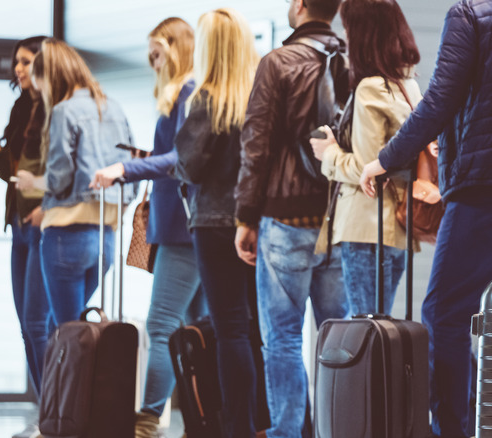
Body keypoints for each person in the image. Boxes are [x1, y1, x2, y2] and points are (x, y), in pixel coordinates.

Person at [358, 0, 492, 436]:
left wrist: (385, 160)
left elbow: (440, 99)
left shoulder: (469, 14)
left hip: (486, 183)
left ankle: (451, 429)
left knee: (445, 312)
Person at [233, 0, 350, 435]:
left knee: (281, 337)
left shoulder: (277, 63)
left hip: (285, 219)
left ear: (300, 6)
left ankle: (285, 433)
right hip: (341, 220)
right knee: (339, 338)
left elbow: (256, 145)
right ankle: (338, 428)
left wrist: (246, 216)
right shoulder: (352, 61)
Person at [89, 18, 208, 437]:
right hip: (180, 228)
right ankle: (201, 417)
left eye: (156, 53)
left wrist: (127, 167)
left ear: (175, 48)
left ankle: (148, 420)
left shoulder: (190, 92)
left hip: (183, 230)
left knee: (161, 326)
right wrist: (146, 159)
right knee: (195, 329)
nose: (151, 62)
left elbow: (179, 159)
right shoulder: (184, 95)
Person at [172, 9, 261, 437]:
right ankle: (269, 425)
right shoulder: (262, 96)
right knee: (259, 330)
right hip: (260, 222)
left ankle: (239, 429)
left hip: (212, 222)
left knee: (229, 330)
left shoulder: (206, 99)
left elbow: (189, 164)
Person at [0, 35, 56, 438]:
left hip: (46, 223)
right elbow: (14, 174)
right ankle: (47, 411)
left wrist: (47, 205)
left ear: (44, 63)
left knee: (39, 323)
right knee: (26, 322)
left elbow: (59, 172)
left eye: (25, 61)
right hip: (19, 222)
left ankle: (56, 414)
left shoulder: (59, 109)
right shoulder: (22, 107)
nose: (18, 69)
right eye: (16, 62)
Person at [310, 0, 422, 315]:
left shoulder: (370, 89)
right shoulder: (407, 85)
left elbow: (368, 166)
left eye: (347, 27)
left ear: (361, 33)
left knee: (366, 329)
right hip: (397, 226)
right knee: (381, 328)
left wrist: (329, 153)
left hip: (366, 225)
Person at [16, 39, 135, 326]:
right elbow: (132, 171)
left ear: (50, 78)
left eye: (40, 83)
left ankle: (58, 375)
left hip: (65, 235)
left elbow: (58, 179)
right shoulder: (113, 107)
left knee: (62, 333)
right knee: (78, 332)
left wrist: (34, 182)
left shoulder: (64, 111)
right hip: (105, 238)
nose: (41, 92)